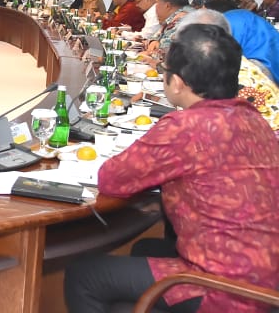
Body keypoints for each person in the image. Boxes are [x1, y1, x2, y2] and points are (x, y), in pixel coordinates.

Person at [64, 24, 279, 313]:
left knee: (84, 275)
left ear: (176, 82)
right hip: (267, 277)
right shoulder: (254, 119)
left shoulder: (185, 127)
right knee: (144, 250)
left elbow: (112, 179)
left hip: (224, 287)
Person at [140, 0, 191, 66]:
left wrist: (153, 53)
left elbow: (163, 58)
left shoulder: (180, 21)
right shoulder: (173, 18)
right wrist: (153, 41)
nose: (155, 7)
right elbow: (154, 39)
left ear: (167, 6)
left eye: (156, 3)